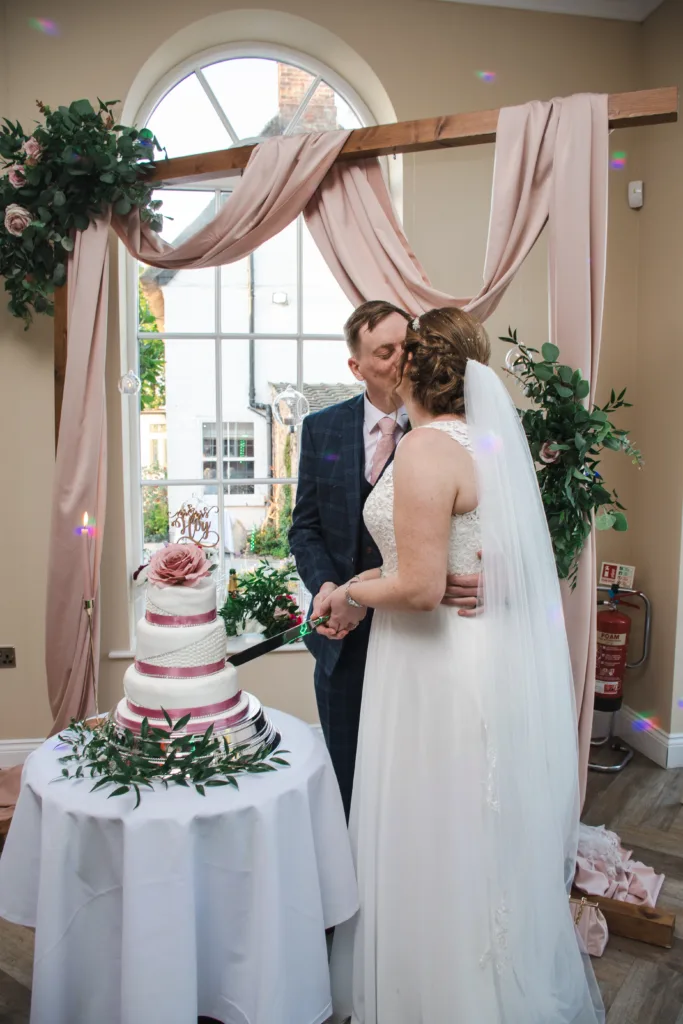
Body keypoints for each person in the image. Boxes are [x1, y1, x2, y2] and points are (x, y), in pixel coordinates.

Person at [324, 308, 605, 1024]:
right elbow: (474, 552)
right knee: (466, 828)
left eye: (400, 352)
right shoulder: (482, 444)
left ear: (414, 365)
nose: (389, 363)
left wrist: (350, 591)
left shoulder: (423, 451)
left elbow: (417, 587)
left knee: (433, 826)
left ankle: (439, 997)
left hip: (433, 664)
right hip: (457, 655)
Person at [289, 300, 481, 819]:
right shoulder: (322, 429)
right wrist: (331, 589)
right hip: (344, 644)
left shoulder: (456, 432)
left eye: (408, 346)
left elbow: (490, 527)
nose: (402, 359)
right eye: (385, 351)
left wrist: (492, 576)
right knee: (353, 786)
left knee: (425, 794)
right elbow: (304, 528)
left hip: (428, 640)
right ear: (356, 366)